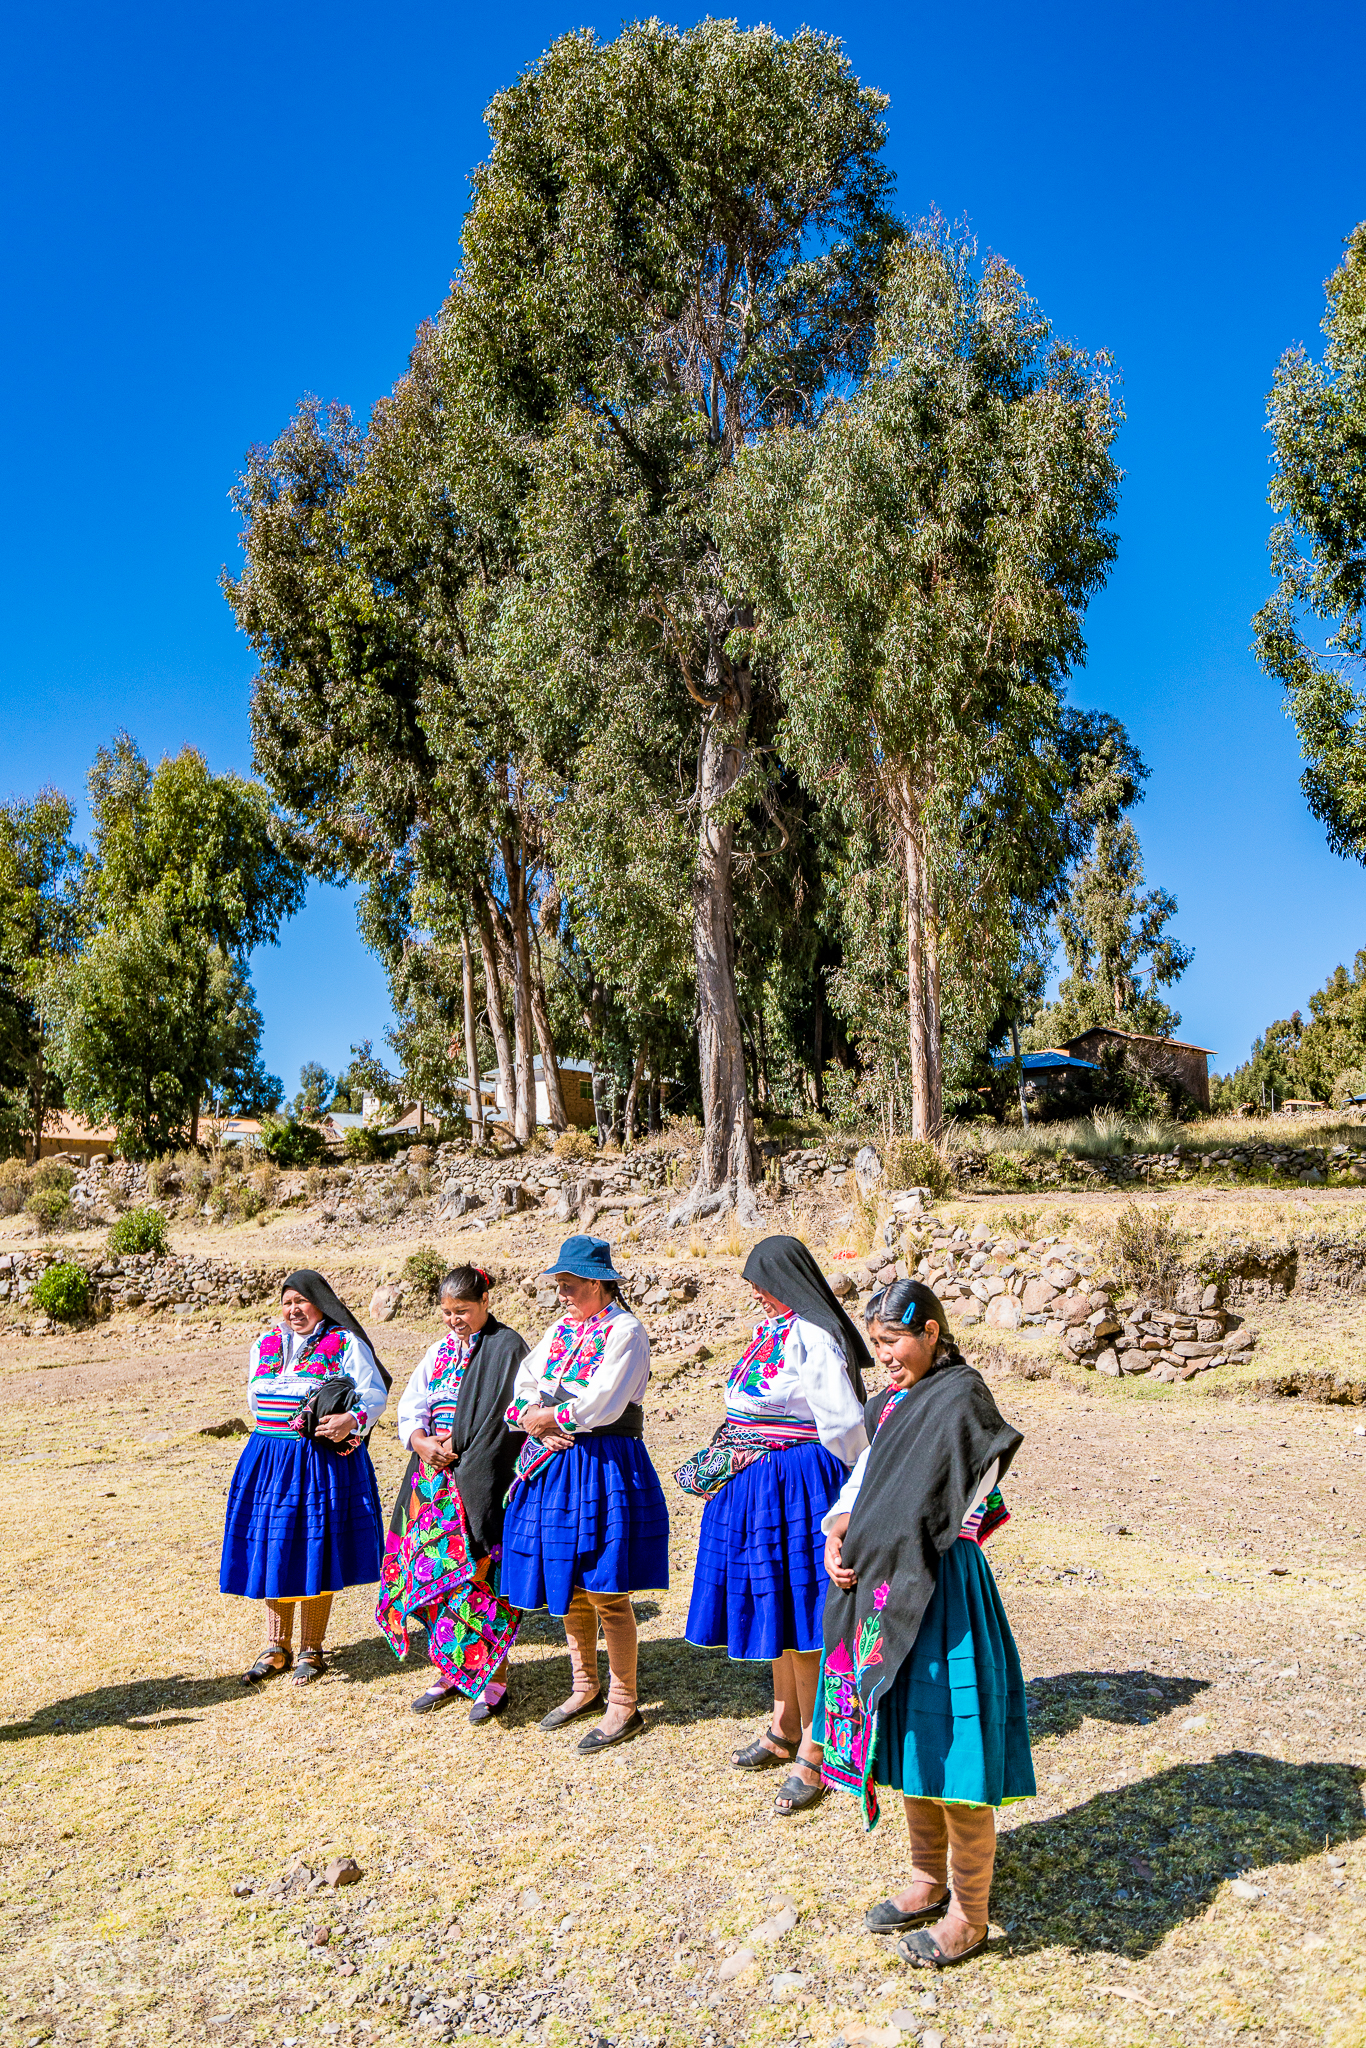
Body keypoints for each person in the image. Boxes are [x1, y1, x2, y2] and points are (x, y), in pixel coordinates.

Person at [817, 1279, 1034, 1970]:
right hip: (884, 1588)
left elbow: (958, 1491)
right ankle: (925, 1878)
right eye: (875, 1344)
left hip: (940, 1591)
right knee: (909, 1741)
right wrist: (837, 1528)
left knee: (953, 1751)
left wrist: (880, 1534)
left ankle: (970, 1915)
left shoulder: (962, 1398)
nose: (883, 1356)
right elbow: (867, 1482)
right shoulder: (891, 1406)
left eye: (893, 1341)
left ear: (932, 1333)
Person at [678, 1234, 871, 1817]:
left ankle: (818, 1750)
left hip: (796, 1484)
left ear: (787, 1281)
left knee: (804, 1619)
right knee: (778, 1609)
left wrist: (859, 1489)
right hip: (757, 1483)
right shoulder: (773, 1331)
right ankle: (785, 1724)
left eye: (762, 1283)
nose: (756, 1294)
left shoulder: (812, 1334)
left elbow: (843, 1423)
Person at [501, 1235, 669, 1752]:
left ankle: (624, 1701)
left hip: (602, 1464)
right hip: (553, 1465)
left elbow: (605, 1401)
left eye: (570, 1285)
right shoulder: (559, 1331)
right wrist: (531, 1418)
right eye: (559, 1286)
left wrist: (549, 1415)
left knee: (606, 1588)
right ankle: (584, 1686)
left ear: (597, 1283)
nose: (562, 1295)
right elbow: (524, 1384)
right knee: (570, 1584)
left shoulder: (626, 1332)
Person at [221, 1268, 390, 1685]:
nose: (294, 1310)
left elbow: (374, 1393)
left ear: (321, 1303)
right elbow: (253, 1395)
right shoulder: (265, 1344)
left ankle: (312, 1650)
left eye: (302, 1302)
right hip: (269, 1459)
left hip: (319, 1461)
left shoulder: (344, 1343)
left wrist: (351, 1419)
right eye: (288, 1302)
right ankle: (276, 1646)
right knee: (276, 1544)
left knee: (317, 1546)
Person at [376, 1265, 529, 1722]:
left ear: (486, 1302)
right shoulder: (439, 1352)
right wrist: (421, 1442)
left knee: (479, 1581)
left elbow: (505, 1421)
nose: (453, 1320)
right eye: (446, 1312)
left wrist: (464, 1460)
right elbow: (412, 1405)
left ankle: (493, 1679)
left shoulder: (507, 1348)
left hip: (480, 1479)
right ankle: (448, 1671)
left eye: (462, 1310)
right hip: (433, 1482)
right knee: (434, 1578)